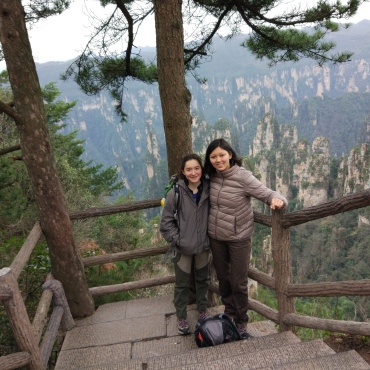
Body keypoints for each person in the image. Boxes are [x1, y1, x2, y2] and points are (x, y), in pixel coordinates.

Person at [204, 138, 287, 339]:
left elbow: (267, 193)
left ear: (230, 155)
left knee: (239, 281)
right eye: (213, 156)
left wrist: (278, 199)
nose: (218, 160)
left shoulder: (243, 177)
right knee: (223, 278)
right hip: (216, 237)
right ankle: (229, 313)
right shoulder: (211, 177)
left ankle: (241, 322)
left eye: (222, 155)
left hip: (239, 237)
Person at [160, 153, 210, 335]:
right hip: (183, 249)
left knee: (203, 280)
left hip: (203, 245)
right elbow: (165, 223)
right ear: (183, 171)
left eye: (197, 168)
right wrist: (178, 240)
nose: (193, 172)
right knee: (181, 284)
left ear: (202, 169)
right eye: (189, 169)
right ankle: (181, 317)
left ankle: (202, 311)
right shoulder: (176, 194)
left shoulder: (208, 190)